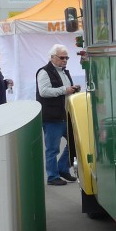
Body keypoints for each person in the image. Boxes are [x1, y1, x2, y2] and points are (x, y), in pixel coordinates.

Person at [36, 44, 80, 186]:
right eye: (62, 57)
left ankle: (62, 168)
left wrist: (73, 89)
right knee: (52, 149)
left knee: (75, 143)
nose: (65, 60)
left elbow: (64, 90)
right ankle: (52, 176)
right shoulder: (44, 72)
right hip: (52, 117)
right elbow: (44, 92)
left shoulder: (64, 72)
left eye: (67, 58)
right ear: (52, 57)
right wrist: (64, 90)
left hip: (65, 115)